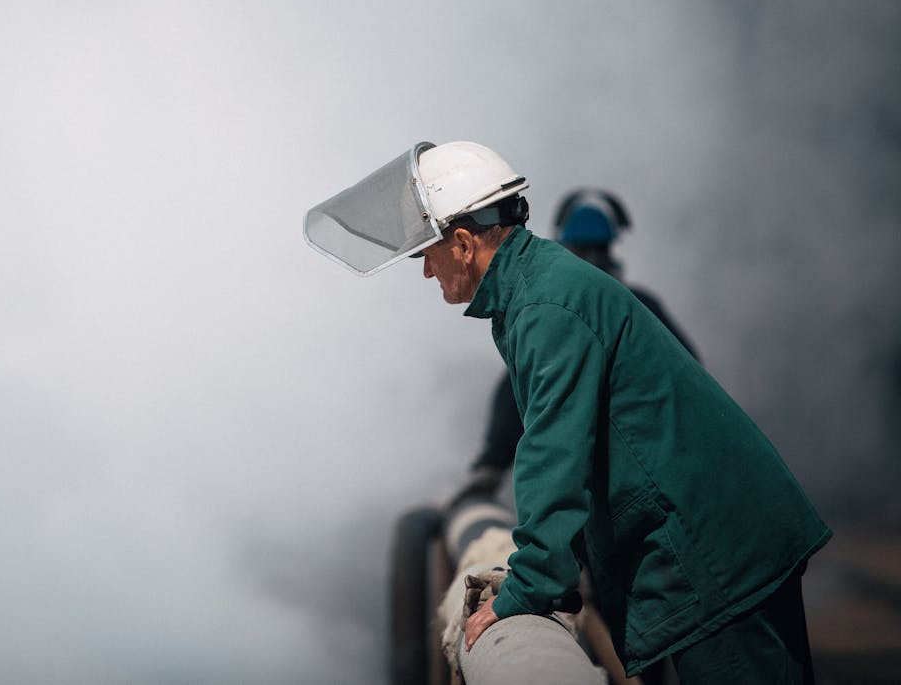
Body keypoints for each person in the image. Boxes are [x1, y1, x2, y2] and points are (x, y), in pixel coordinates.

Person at [304, 141, 830, 683]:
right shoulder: (537, 289)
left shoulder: (544, 307)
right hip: (717, 544)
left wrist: (527, 587)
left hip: (719, 560)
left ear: (462, 243)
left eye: (425, 254)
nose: (425, 272)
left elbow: (554, 452)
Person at [465, 189, 698, 500]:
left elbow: (518, 388)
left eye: (595, 251)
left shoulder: (559, 314)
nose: (591, 262)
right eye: (585, 252)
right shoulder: (638, 307)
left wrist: (490, 466)